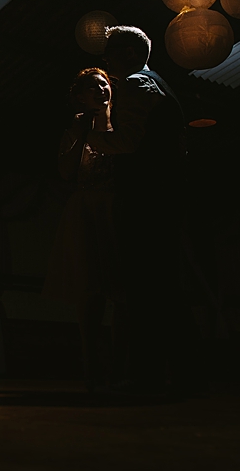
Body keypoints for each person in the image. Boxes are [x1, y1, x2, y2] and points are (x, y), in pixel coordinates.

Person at [85, 25, 192, 393]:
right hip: (166, 194)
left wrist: (92, 137)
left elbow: (128, 142)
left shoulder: (134, 84)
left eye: (110, 52)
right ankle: (181, 375)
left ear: (129, 53)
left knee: (146, 287)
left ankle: (147, 376)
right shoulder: (159, 84)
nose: (106, 62)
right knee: (166, 285)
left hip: (146, 196)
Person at [43, 67, 116, 392]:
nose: (101, 89)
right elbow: (66, 172)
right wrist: (81, 133)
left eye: (104, 84)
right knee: (89, 288)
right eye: (92, 86)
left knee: (123, 287)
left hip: (119, 208)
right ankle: (92, 365)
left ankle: (124, 365)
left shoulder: (125, 125)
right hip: (88, 208)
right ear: (80, 96)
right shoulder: (76, 128)